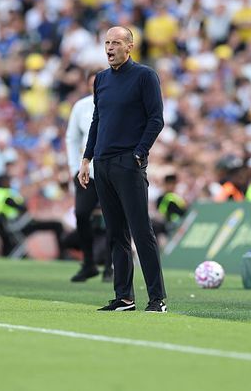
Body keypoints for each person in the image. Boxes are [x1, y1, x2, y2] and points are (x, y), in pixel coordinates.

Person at [78, 26, 167, 312]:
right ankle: (124, 297)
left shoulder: (144, 76)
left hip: (129, 162)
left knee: (141, 232)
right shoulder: (101, 79)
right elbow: (97, 120)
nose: (109, 47)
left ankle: (157, 298)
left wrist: (140, 153)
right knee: (115, 233)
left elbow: (156, 119)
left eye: (116, 42)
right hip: (102, 164)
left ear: (130, 46)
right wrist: (86, 158)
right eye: (106, 42)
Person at [66, 71, 112, 282]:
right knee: (82, 214)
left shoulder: (116, 104)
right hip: (88, 172)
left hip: (111, 172)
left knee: (114, 218)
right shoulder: (81, 107)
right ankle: (89, 262)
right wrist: (75, 168)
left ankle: (112, 265)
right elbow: (72, 138)